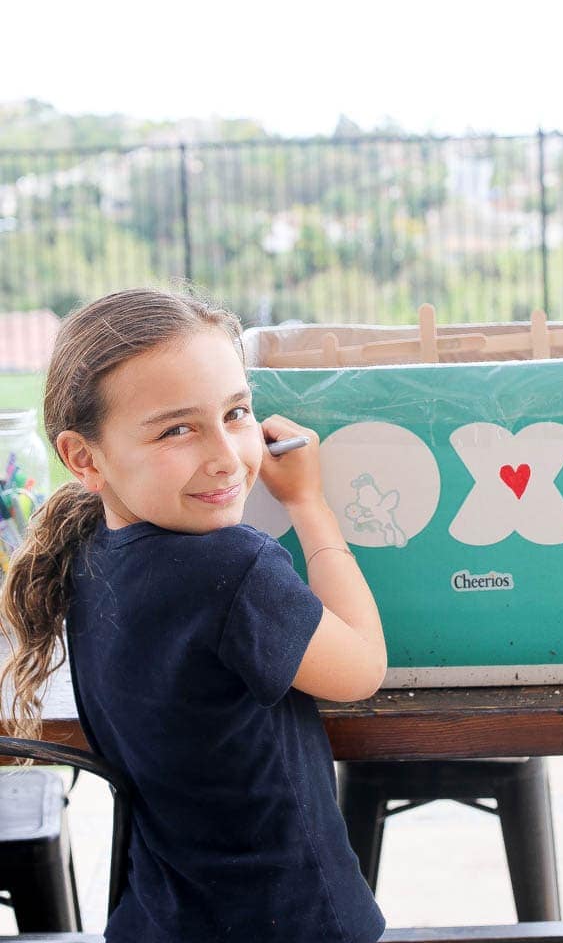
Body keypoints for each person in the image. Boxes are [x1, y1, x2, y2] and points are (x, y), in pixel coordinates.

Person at [0, 287, 388, 943]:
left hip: (161, 917)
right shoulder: (230, 569)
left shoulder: (91, 552)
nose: (224, 455)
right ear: (82, 457)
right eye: (177, 428)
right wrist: (310, 503)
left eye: (236, 412)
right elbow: (361, 669)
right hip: (285, 921)